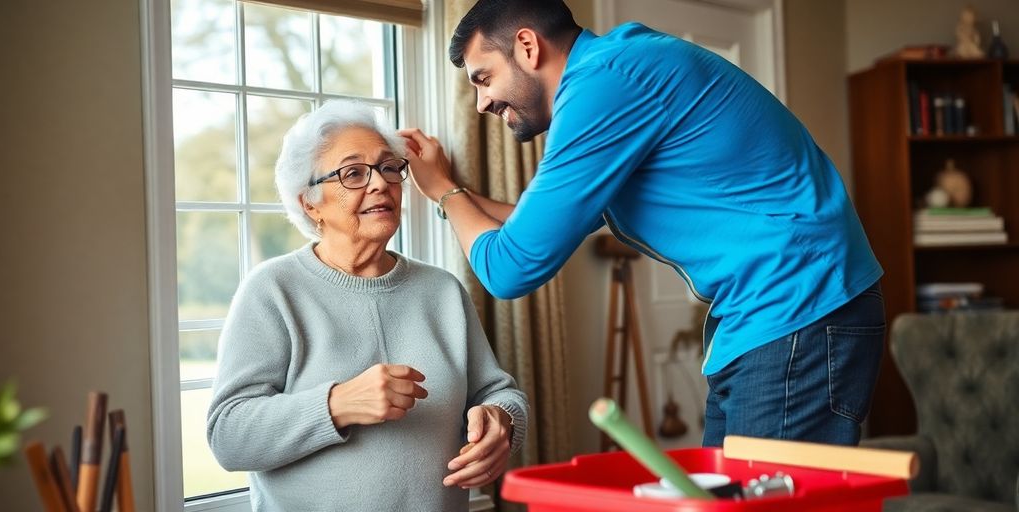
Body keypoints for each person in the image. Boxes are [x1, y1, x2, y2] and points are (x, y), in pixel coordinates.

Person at [400, 0, 884, 447]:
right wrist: (451, 194)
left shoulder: (603, 83)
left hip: (799, 306)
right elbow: (537, 227)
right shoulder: (619, 69)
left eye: (484, 78)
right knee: (727, 495)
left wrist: (445, 192)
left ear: (527, 46)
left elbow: (510, 268)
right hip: (775, 315)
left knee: (767, 498)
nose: (482, 103)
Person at [207, 100, 528, 512]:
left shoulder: (443, 290)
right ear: (309, 202)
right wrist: (337, 404)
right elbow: (228, 435)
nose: (380, 183)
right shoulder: (273, 290)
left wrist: (503, 420)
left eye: (389, 168)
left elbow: (500, 392)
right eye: (354, 173)